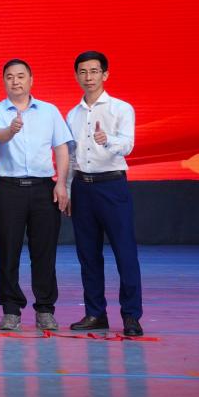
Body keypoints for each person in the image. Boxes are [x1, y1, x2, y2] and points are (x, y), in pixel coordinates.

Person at [0, 59, 71, 332]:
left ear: (31, 80)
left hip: (43, 188)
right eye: (10, 76)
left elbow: (61, 148)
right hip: (8, 189)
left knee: (44, 252)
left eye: (21, 76)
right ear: (4, 81)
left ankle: (45, 308)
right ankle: (11, 310)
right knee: (8, 251)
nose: (16, 81)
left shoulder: (49, 111)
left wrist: (62, 184)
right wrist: (11, 130)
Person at [65, 51, 143, 336]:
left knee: (125, 252)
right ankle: (95, 313)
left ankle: (131, 316)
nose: (89, 77)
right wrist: (67, 189)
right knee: (88, 254)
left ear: (105, 74)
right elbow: (71, 155)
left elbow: (128, 145)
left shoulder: (121, 108)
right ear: (77, 76)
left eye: (94, 71)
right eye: (83, 72)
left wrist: (106, 139)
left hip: (111, 185)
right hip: (82, 188)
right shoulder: (72, 114)